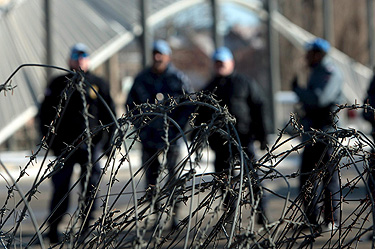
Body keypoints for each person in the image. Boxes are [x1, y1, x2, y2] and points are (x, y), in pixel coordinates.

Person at [38, 43, 115, 243]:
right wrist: (49, 140)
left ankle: (86, 228)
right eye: (76, 56)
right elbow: (45, 114)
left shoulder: (98, 83)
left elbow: (110, 115)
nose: (80, 60)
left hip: (91, 145)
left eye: (83, 56)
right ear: (69, 59)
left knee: (90, 187)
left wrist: (108, 142)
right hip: (64, 145)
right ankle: (54, 228)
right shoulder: (58, 83)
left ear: (88, 59)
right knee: (61, 187)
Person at [193, 46, 269, 224]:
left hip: (243, 138)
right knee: (224, 180)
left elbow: (258, 107)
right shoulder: (209, 88)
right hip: (220, 143)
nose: (220, 66)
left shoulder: (244, 83)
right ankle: (231, 215)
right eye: (217, 63)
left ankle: (261, 212)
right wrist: (198, 139)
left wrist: (262, 134)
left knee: (253, 176)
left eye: (223, 62)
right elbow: (200, 116)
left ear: (231, 63)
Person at [125, 39, 192, 229]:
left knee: (174, 176)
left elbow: (188, 106)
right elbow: (131, 106)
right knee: (151, 179)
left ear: (167, 56)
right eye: (154, 53)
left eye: (160, 54)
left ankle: (174, 215)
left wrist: (177, 128)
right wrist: (141, 127)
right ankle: (155, 213)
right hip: (149, 138)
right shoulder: (141, 79)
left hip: (172, 138)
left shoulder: (178, 79)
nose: (157, 57)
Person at [292, 38, 343, 231]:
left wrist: (299, 91)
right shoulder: (316, 72)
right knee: (306, 179)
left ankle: (331, 220)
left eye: (309, 53)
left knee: (329, 180)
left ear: (318, 54)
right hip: (312, 135)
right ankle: (311, 220)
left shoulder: (330, 72)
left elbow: (320, 98)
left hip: (327, 136)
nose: (306, 57)